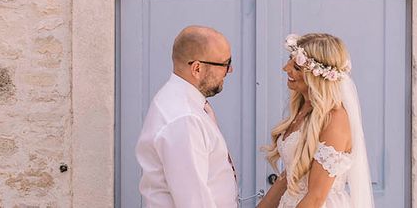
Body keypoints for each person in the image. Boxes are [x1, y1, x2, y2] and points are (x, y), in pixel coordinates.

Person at [257, 33, 374, 208]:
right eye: (290, 61)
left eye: (296, 67)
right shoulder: (304, 109)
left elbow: (316, 197)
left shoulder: (334, 119)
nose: (285, 68)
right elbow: (289, 176)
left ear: (317, 76)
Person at [135, 25, 238, 208]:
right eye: (225, 64)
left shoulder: (181, 104)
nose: (230, 71)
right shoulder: (184, 118)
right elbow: (193, 201)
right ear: (197, 68)